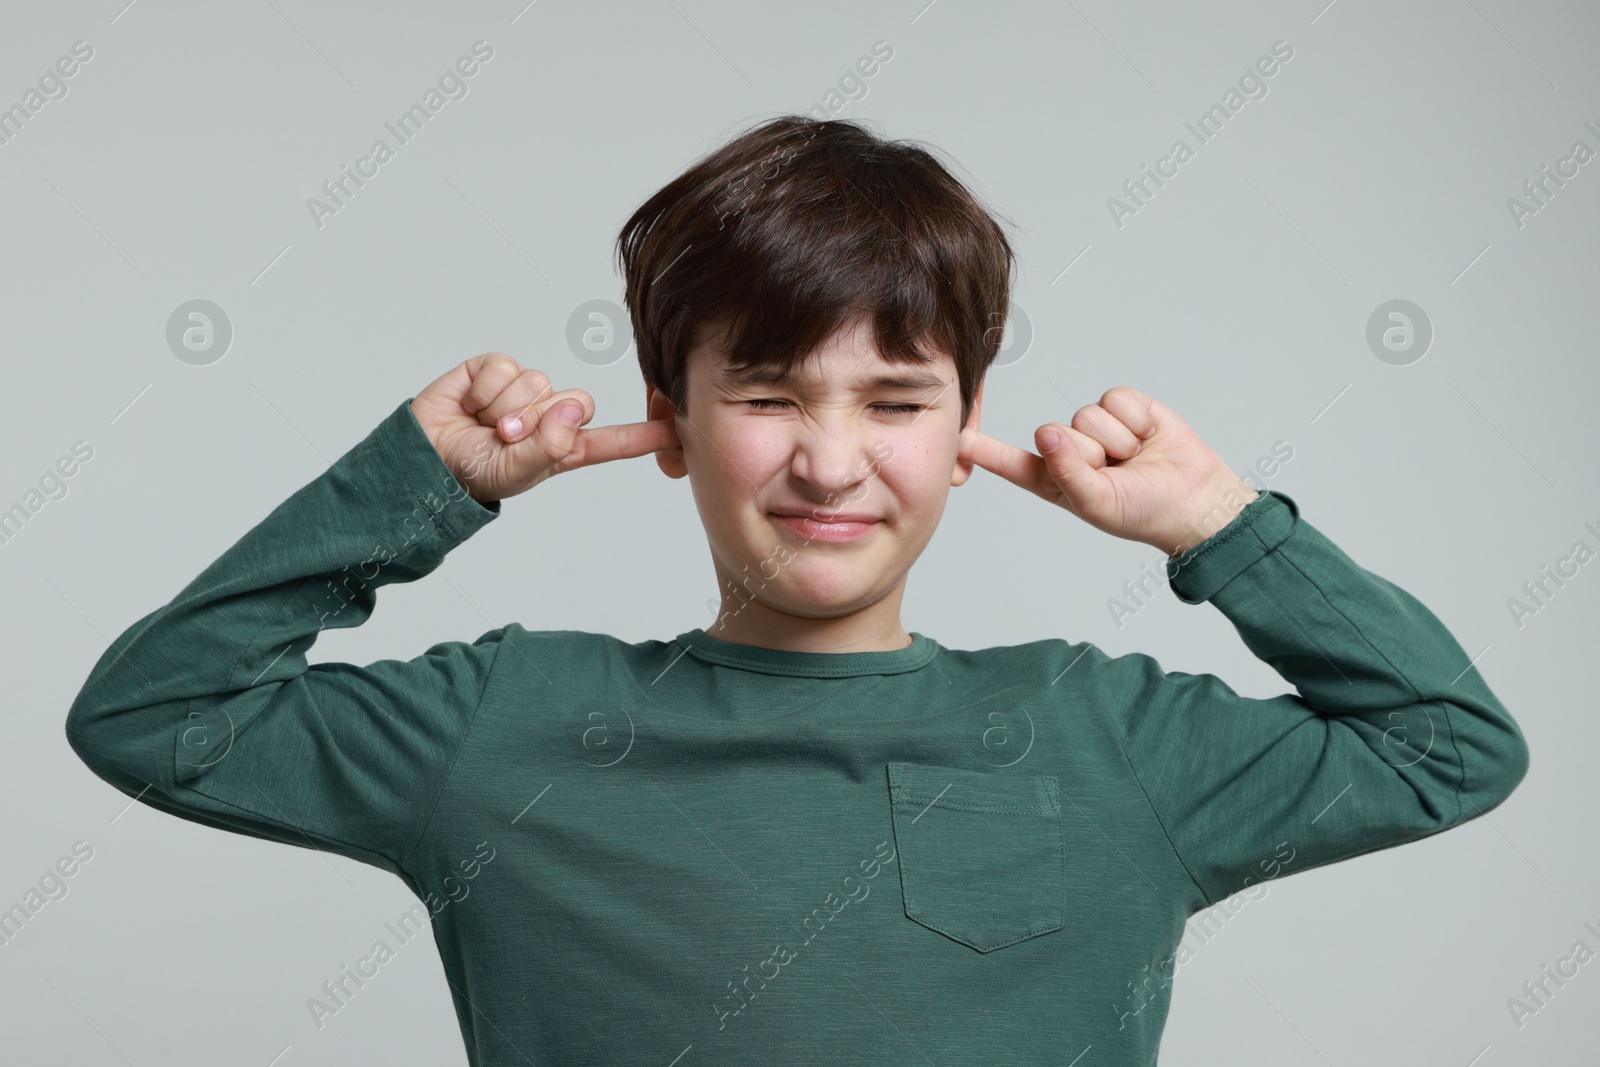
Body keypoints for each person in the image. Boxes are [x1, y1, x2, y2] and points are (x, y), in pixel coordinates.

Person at [65, 115, 1529, 1065]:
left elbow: (1450, 748)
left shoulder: (1104, 736)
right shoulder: (508, 722)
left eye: (897, 401)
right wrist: (412, 487)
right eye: (768, 391)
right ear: (671, 415)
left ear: (965, 433)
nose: (833, 463)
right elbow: (153, 714)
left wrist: (1218, 524)